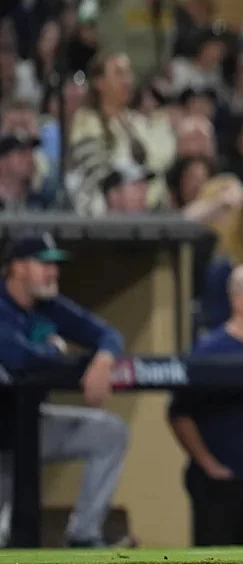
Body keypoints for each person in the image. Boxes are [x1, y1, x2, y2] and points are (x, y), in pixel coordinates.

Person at [0, 233, 129, 548]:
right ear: (17, 267)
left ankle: (84, 536)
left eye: (55, 264)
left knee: (109, 433)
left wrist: (103, 360)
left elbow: (109, 334)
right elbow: (18, 358)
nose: (53, 271)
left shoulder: (49, 306)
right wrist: (56, 350)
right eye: (44, 264)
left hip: (25, 429)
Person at [168, 265, 243, 546]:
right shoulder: (210, 350)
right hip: (220, 485)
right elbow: (180, 413)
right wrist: (209, 465)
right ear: (238, 300)